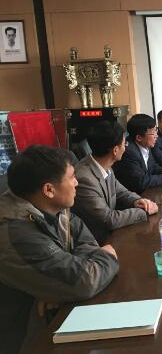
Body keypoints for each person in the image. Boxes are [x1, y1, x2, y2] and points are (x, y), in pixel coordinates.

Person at [0, 145, 119, 353]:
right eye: (72, 177)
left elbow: (87, 244)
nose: (77, 182)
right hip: (26, 339)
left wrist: (60, 288)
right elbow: (85, 281)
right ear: (49, 190)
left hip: (55, 320)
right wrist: (106, 256)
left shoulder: (55, 207)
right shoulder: (15, 233)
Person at [72, 121, 158, 245]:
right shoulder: (84, 179)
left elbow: (121, 192)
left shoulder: (103, 164)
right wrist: (144, 212)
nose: (126, 147)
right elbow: (108, 219)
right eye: (125, 144)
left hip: (113, 234)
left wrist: (139, 201)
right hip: (96, 243)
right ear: (115, 150)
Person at [112, 114, 162, 194]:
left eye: (156, 130)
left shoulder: (145, 144)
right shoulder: (129, 152)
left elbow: (152, 166)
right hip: (133, 196)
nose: (156, 136)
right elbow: (140, 182)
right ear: (139, 138)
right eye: (153, 133)